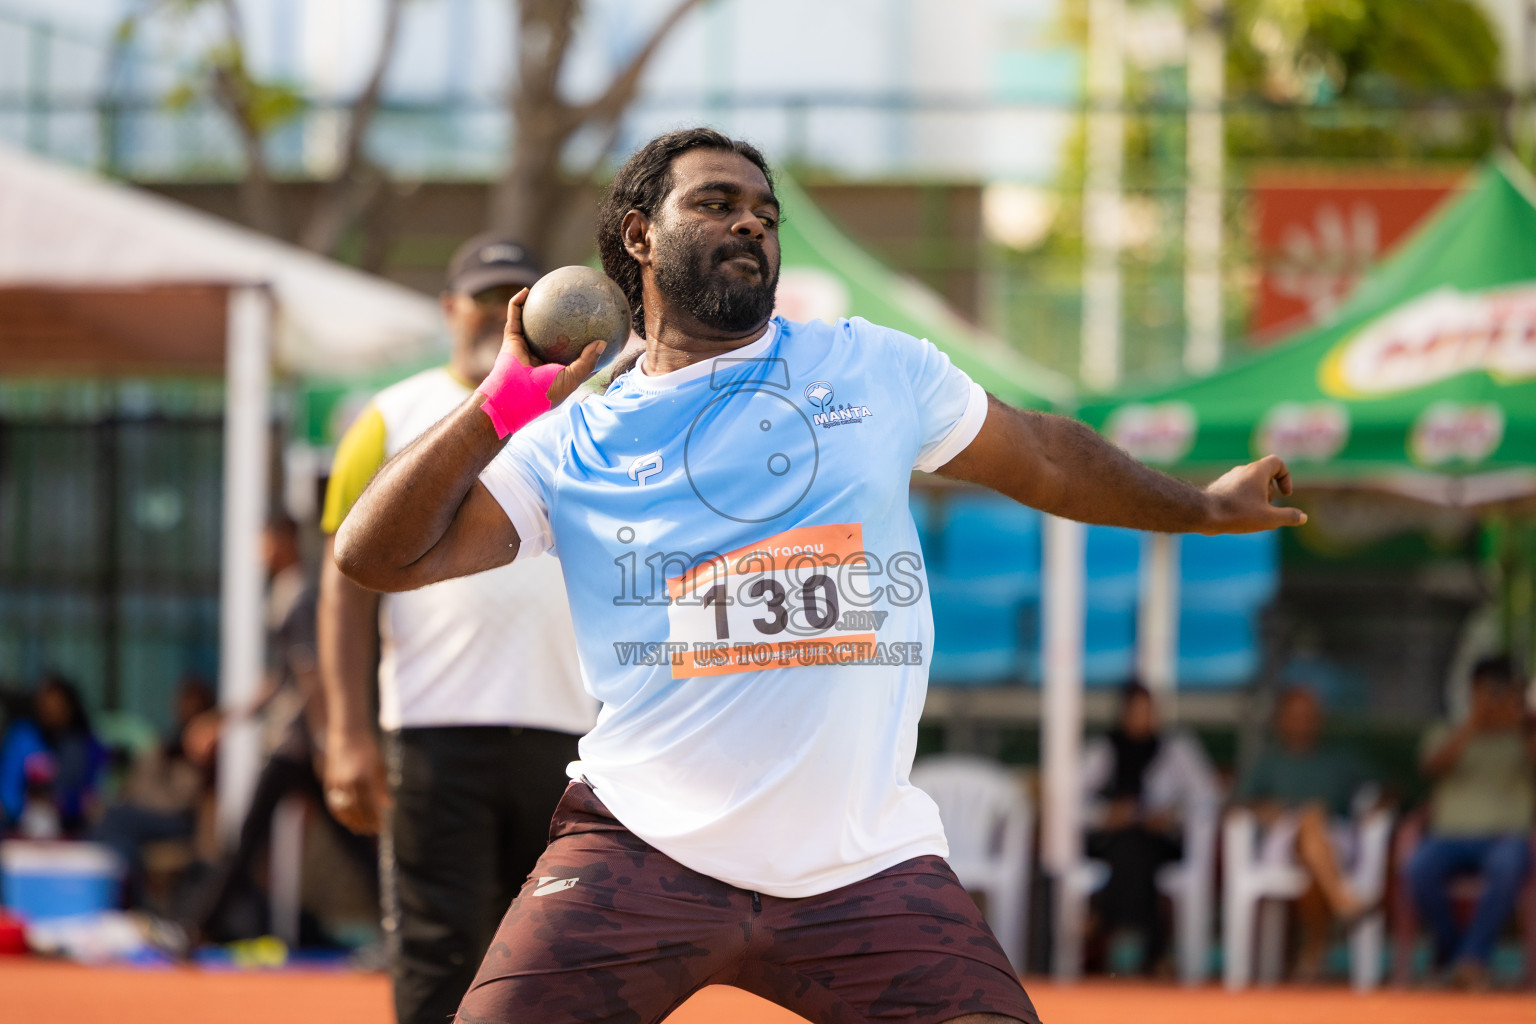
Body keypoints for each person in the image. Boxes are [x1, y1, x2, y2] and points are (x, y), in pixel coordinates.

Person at [333, 127, 1305, 1024]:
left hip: (863, 867)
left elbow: (1046, 456)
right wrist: (500, 403)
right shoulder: (572, 439)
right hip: (642, 848)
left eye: (764, 209)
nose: (751, 219)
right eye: (716, 202)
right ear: (639, 235)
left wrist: (1205, 509)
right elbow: (372, 553)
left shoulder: (872, 369)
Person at [317, 235, 598, 1024]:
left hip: (567, 736)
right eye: (482, 296)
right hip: (435, 730)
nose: (493, 313)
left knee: (548, 963)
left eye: (519, 295)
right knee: (441, 959)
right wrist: (347, 730)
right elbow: (344, 589)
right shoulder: (389, 415)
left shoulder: (587, 416)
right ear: (451, 309)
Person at [186, 516, 372, 944]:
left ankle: (197, 927)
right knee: (351, 842)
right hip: (299, 744)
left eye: (263, 541)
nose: (259, 552)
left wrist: (329, 742)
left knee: (249, 839)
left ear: (283, 541)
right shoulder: (287, 592)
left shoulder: (299, 594)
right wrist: (223, 721)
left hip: (296, 744)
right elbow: (283, 678)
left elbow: (310, 674)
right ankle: (199, 925)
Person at [1407, 655, 1536, 989]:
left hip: (1505, 838)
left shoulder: (1524, 735)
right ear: (1471, 692)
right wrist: (1474, 723)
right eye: (1486, 691)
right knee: (1417, 868)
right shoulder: (1449, 729)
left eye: (1501, 691)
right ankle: (1457, 954)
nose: (1494, 698)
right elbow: (1430, 768)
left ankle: (1469, 960)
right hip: (1447, 839)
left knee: (1508, 864)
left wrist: (1522, 720)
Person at [1080, 681, 1219, 976]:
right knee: (1132, 845)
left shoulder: (1176, 749)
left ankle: (1103, 922)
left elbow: (1208, 797)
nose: (1144, 718)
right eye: (1137, 711)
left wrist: (1172, 816)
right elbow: (1072, 802)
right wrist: (1107, 814)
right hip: (1113, 841)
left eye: (1149, 711)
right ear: (1123, 713)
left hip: (1161, 840)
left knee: (1135, 845)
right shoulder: (1103, 750)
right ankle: (1154, 953)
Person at [1235, 685, 1373, 980]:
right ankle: (1340, 903)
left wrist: (1377, 809)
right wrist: (1266, 810)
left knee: (1314, 838)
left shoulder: (1340, 759)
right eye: (1296, 716)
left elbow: (1387, 790)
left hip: (1335, 840)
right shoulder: (1269, 761)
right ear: (1281, 720)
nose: (1304, 722)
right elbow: (1238, 805)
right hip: (1282, 841)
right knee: (1310, 820)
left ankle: (1313, 949)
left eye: (1310, 716)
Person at [93, 676, 217, 907]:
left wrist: (143, 793)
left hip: (178, 822)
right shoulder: (169, 741)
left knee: (113, 818)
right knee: (121, 840)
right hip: (149, 816)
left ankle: (127, 902)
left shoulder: (203, 746)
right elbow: (135, 784)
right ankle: (130, 901)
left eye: (190, 700)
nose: (182, 706)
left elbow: (178, 799)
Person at [0, 673, 107, 838]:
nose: (51, 711)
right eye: (45, 705)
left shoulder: (85, 743)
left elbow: (92, 792)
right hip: (22, 822)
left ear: (70, 707)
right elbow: (8, 788)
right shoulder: (24, 736)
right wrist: (25, 810)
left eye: (57, 705)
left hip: (71, 822)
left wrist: (63, 806)